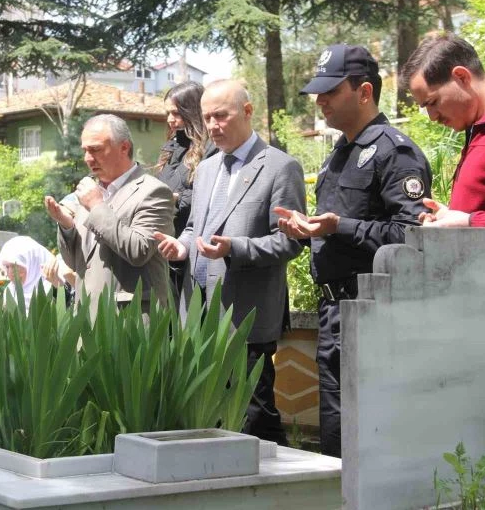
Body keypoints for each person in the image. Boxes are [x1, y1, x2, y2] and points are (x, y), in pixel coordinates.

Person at [274, 44, 433, 457]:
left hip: (375, 314)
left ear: (364, 92)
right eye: (318, 92)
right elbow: (341, 232)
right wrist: (308, 232)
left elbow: (414, 237)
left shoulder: (395, 153)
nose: (320, 100)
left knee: (371, 436)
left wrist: (340, 226)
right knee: (336, 435)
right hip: (333, 314)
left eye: (330, 91)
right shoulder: (337, 155)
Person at [154, 79, 306, 445]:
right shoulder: (206, 169)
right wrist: (183, 247)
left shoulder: (280, 167)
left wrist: (234, 249)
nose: (213, 126)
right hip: (198, 312)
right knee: (211, 413)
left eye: (221, 116)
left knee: (254, 412)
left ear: (248, 111)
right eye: (207, 118)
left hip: (245, 315)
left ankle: (279, 486)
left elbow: (291, 240)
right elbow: (194, 226)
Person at [400, 32, 485, 245]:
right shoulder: (481, 129)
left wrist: (470, 223)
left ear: (461, 77)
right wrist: (449, 219)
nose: (432, 117)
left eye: (432, 102)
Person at [44, 114, 174, 314]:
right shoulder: (89, 191)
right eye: (85, 150)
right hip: (87, 319)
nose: (88, 158)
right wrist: (67, 226)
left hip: (130, 320)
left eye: (96, 149)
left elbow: (138, 250)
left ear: (124, 147)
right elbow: (75, 263)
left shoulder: (154, 192)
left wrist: (96, 205)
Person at [156, 81, 217, 299]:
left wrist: (177, 199)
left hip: (194, 249)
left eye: (176, 113)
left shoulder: (211, 148)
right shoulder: (171, 148)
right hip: (167, 244)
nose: (170, 120)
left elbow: (209, 196)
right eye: (168, 113)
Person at [0, 235, 55, 310]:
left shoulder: (52, 291)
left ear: (33, 264)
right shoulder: (10, 291)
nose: (10, 273)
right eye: (7, 267)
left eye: (15, 266)